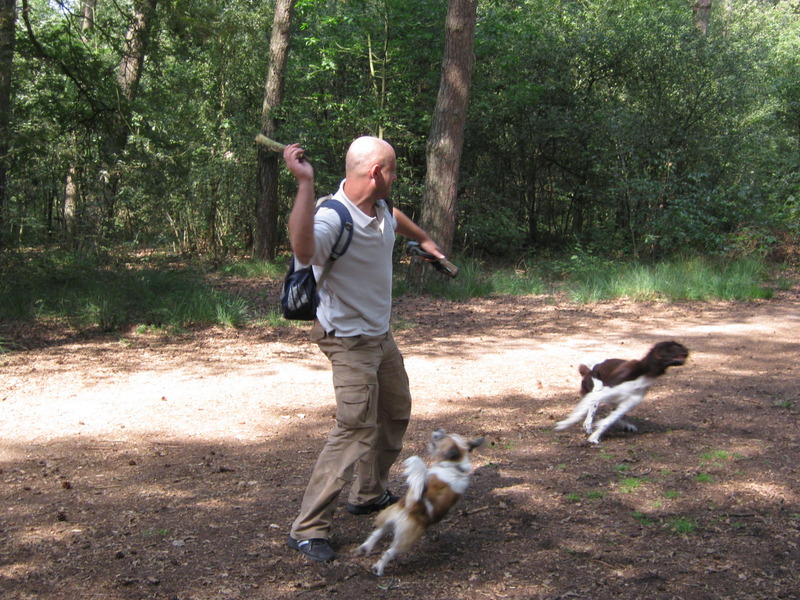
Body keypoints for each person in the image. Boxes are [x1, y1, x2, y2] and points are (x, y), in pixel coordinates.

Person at [282, 136, 446, 563]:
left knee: (394, 412)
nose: (396, 176)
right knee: (354, 428)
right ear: (376, 173)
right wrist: (303, 184)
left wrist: (425, 240)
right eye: (393, 169)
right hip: (348, 339)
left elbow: (395, 215)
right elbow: (303, 248)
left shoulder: (378, 209)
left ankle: (368, 493)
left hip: (380, 336)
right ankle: (308, 528)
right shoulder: (332, 217)